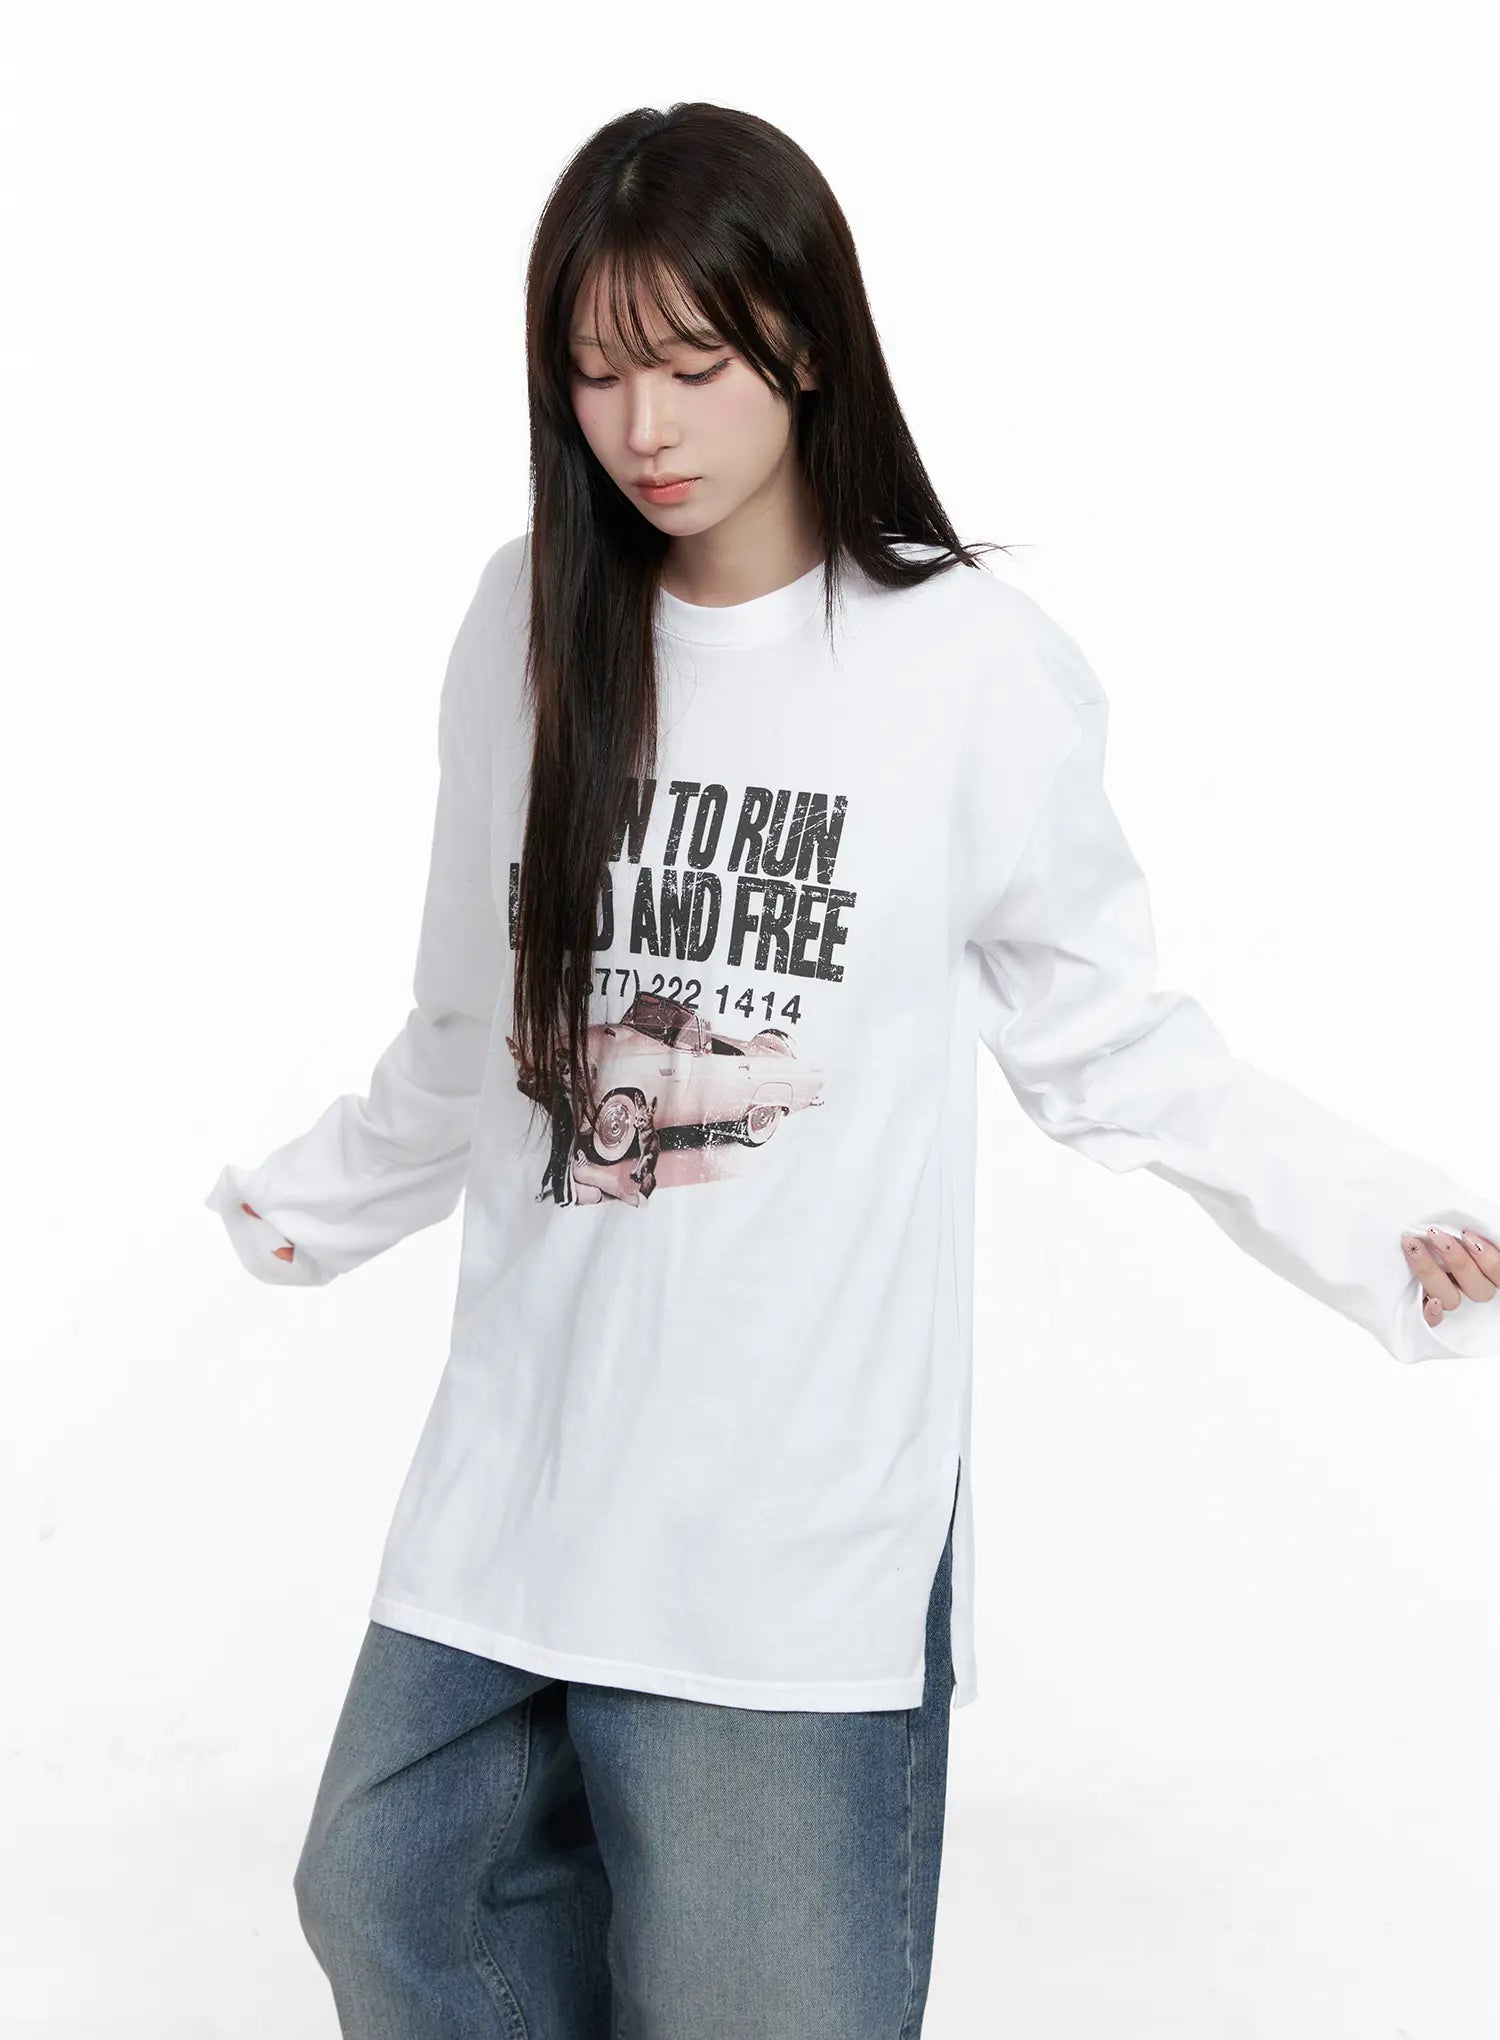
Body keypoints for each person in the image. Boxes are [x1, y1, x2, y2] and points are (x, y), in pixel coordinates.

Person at [203, 101, 1500, 2039]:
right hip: (520, 1483)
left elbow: (1113, 1042)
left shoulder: (963, 666)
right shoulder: (527, 624)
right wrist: (297, 1207)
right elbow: (476, 1027)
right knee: (386, 1892)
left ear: (804, 343)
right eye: (596, 372)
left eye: (690, 364)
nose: (642, 426)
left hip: (784, 1532)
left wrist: (1384, 1223)